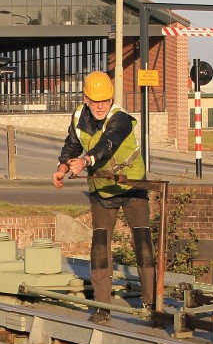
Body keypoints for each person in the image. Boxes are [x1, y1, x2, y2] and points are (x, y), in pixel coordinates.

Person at [53, 70, 155, 323]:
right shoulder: (79, 116)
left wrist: (86, 161)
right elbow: (73, 143)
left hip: (133, 187)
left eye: (105, 101)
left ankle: (152, 305)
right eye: (95, 101)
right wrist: (63, 167)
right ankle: (101, 307)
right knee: (100, 246)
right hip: (102, 189)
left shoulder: (120, 118)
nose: (100, 106)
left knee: (142, 243)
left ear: (111, 99)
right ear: (86, 98)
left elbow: (107, 144)